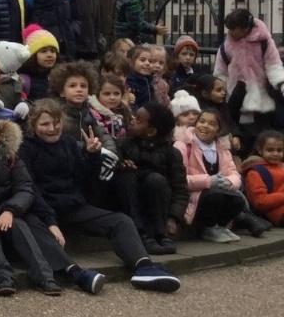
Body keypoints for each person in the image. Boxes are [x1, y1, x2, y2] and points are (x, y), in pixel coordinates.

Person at [19, 100, 181, 292]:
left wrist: (92, 156)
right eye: (45, 124)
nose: (52, 128)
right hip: (43, 210)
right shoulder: (26, 149)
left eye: (56, 122)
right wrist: (51, 222)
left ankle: (144, 267)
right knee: (32, 225)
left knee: (121, 221)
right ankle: (76, 274)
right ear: (33, 125)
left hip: (73, 206)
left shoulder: (69, 142)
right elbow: (31, 188)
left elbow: (83, 180)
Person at [0, 109, 107, 296]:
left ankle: (49, 277)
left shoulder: (10, 157)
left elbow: (25, 187)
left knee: (22, 224)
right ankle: (2, 278)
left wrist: (10, 210)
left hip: (9, 213)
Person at [115, 102, 190, 256]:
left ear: (151, 132)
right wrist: (121, 165)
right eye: (134, 117)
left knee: (155, 180)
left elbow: (181, 189)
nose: (132, 120)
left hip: (157, 204)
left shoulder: (172, 153)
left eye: (139, 120)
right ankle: (140, 233)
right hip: (131, 204)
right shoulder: (123, 145)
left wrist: (174, 217)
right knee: (126, 177)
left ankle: (161, 233)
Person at [214, 7, 284, 150]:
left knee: (262, 140)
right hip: (235, 100)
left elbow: (274, 65)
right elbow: (220, 73)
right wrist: (223, 93)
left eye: (234, 29)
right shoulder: (226, 47)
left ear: (245, 28)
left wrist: (281, 83)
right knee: (241, 141)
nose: (231, 33)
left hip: (262, 100)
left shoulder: (264, 42)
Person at [175, 109, 244, 243]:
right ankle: (208, 228)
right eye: (201, 121)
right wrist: (208, 181)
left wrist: (229, 182)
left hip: (217, 191)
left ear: (218, 130)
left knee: (238, 199)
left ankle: (220, 226)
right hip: (194, 195)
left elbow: (233, 173)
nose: (205, 126)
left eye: (212, 124)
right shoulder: (182, 145)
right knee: (215, 195)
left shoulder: (222, 147)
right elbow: (179, 179)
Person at [241, 130, 284, 225]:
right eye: (270, 150)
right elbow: (260, 202)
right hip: (276, 214)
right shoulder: (255, 172)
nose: (275, 154)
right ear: (260, 150)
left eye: (279, 150)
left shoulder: (282, 167)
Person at [19, 26, 60, 102]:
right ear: (33, 55)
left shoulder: (61, 76)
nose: (49, 55)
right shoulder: (23, 80)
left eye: (53, 51)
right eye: (43, 51)